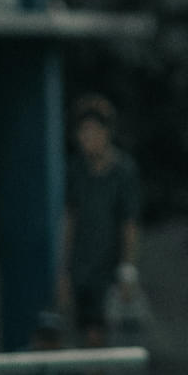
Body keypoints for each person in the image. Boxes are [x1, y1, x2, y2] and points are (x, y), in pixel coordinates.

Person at [58, 96, 144, 344]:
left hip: (109, 269)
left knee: (102, 335)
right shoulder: (75, 171)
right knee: (81, 334)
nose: (87, 138)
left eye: (93, 131)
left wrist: (128, 269)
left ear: (106, 133)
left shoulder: (123, 171)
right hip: (81, 266)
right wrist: (63, 270)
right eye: (82, 131)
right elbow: (69, 220)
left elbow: (129, 223)